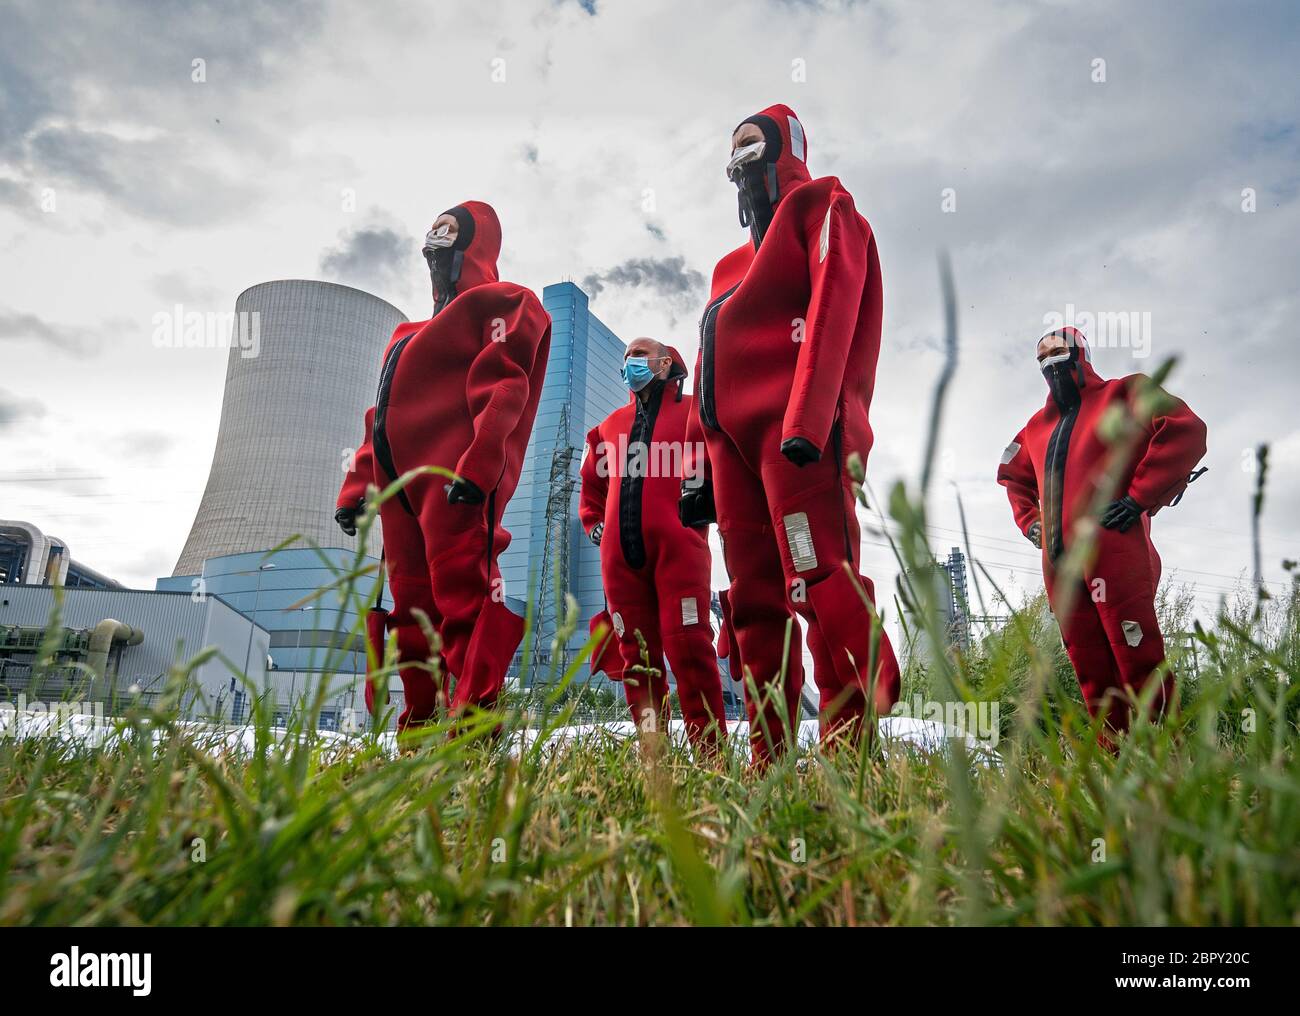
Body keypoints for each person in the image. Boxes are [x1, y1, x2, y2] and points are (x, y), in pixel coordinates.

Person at [679, 103, 901, 764]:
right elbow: (707, 364)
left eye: (752, 143)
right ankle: (768, 758)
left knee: (816, 574)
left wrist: (808, 419)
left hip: (794, 438)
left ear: (784, 148)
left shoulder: (823, 207)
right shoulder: (725, 269)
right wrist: (698, 467)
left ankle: (852, 741)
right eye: (732, 148)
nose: (738, 157)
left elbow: (835, 305)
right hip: (732, 453)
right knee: (752, 602)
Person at [335, 201, 551, 731]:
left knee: (465, 600)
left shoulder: (505, 303)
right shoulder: (405, 334)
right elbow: (378, 415)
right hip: (398, 491)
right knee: (410, 610)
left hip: (452, 481)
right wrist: (358, 486)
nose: (433, 238)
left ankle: (474, 731)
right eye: (431, 228)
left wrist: (479, 464)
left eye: (448, 229)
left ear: (475, 243)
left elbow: (505, 384)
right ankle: (417, 731)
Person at [997, 326, 1207, 745]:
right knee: (1089, 665)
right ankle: (1114, 756)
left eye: (1059, 349)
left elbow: (1184, 428)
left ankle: (1164, 752)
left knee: (1137, 653)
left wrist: (1138, 497)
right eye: (1041, 355)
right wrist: (1031, 522)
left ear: (1081, 353)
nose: (1049, 359)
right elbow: (1011, 476)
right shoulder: (1033, 430)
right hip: (1058, 561)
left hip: (1115, 547)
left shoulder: (1124, 394)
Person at [580, 339, 729, 760]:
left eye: (640, 354)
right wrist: (594, 525)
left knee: (689, 648)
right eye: (627, 357)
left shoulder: (693, 416)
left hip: (680, 550)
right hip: (620, 562)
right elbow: (591, 485)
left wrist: (712, 506)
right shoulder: (609, 426)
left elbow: (722, 465)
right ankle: (654, 759)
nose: (631, 362)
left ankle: (712, 756)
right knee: (638, 662)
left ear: (666, 362)